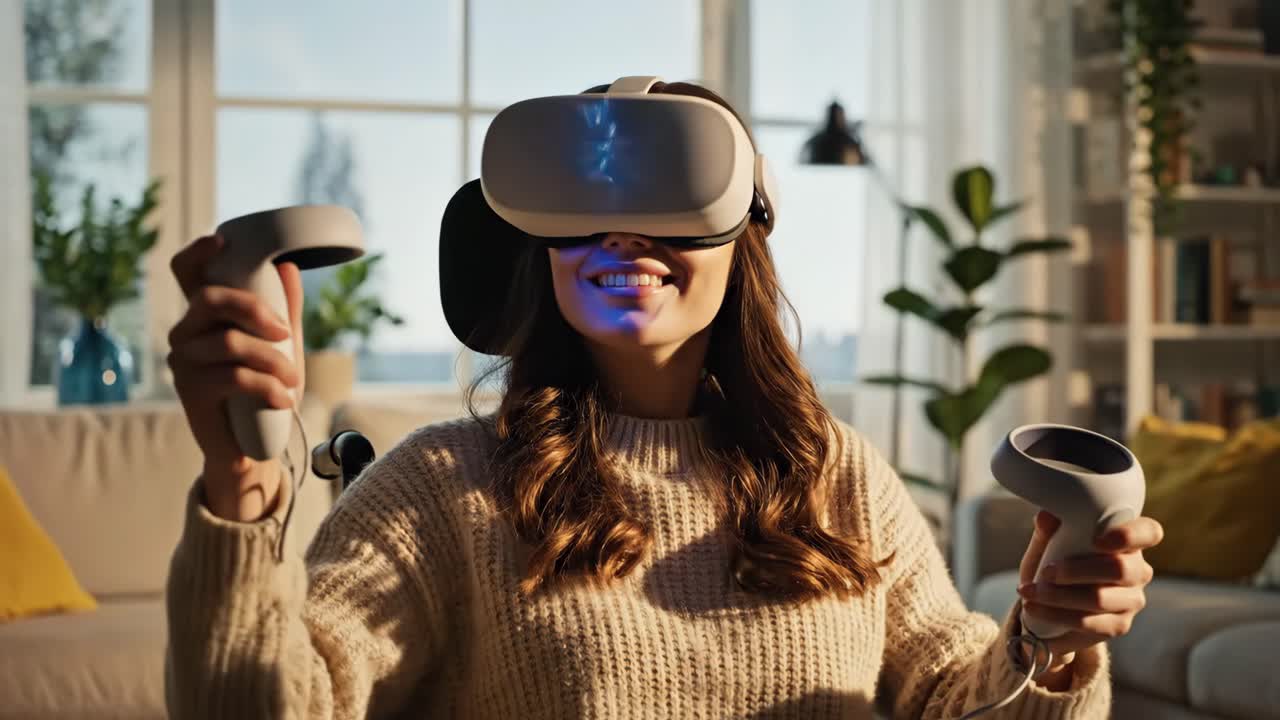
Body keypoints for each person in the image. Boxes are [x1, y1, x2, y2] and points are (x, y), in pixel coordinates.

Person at [163, 79, 1162, 719]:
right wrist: (240, 481)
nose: (622, 240)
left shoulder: (837, 475)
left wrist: (1053, 646)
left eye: (669, 203)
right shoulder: (443, 485)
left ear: (744, 237)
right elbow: (267, 706)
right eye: (582, 211)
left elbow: (958, 700)